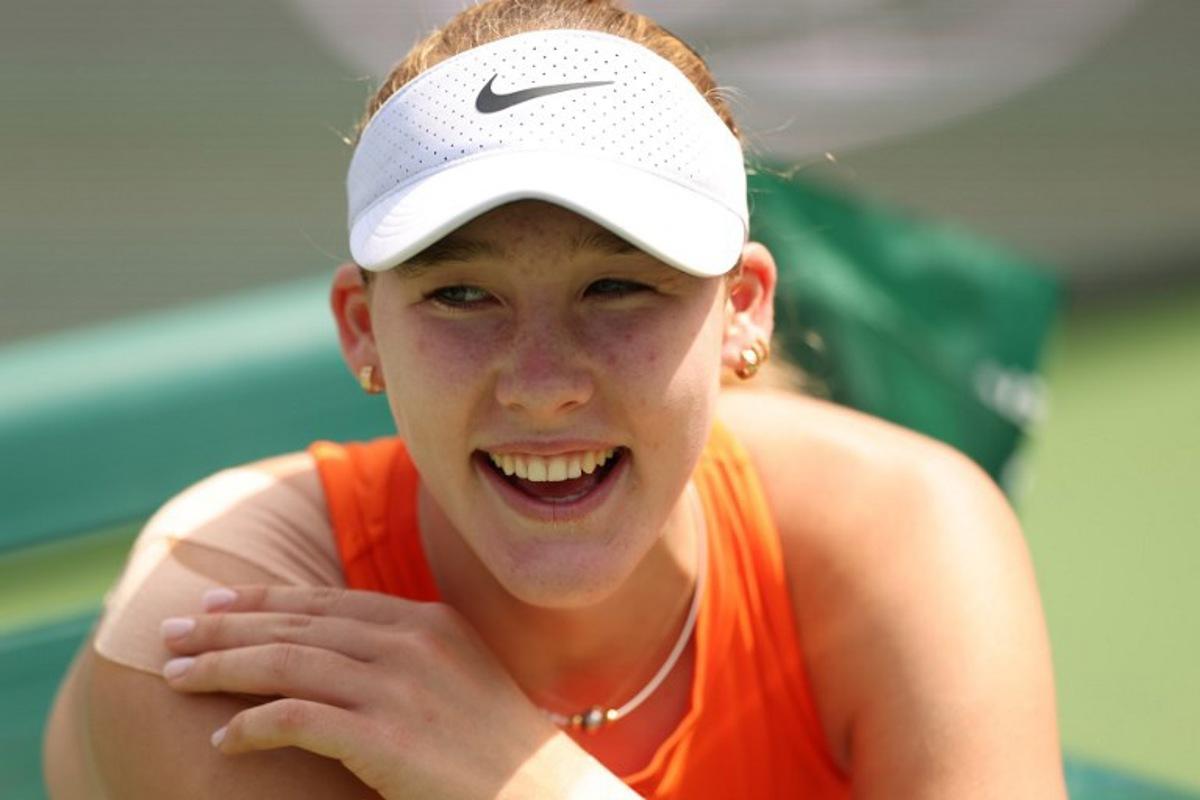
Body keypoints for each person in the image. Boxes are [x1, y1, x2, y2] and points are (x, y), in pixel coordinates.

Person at [43, 1, 1066, 797]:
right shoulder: (217, 620)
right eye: (462, 295)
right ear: (364, 328)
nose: (542, 384)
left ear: (742, 309)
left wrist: (533, 777)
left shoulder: (911, 526)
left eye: (618, 287)